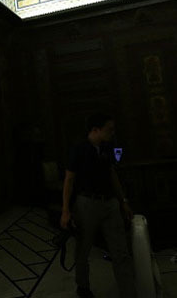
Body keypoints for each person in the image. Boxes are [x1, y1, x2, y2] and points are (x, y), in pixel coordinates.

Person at [60, 113, 136, 298]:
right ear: (95, 130)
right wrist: (65, 211)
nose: (112, 132)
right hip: (87, 203)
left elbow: (112, 174)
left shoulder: (107, 147)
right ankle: (83, 287)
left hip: (109, 203)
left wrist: (122, 201)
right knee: (83, 250)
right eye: (109, 129)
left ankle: (128, 292)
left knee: (120, 251)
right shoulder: (79, 148)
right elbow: (69, 180)